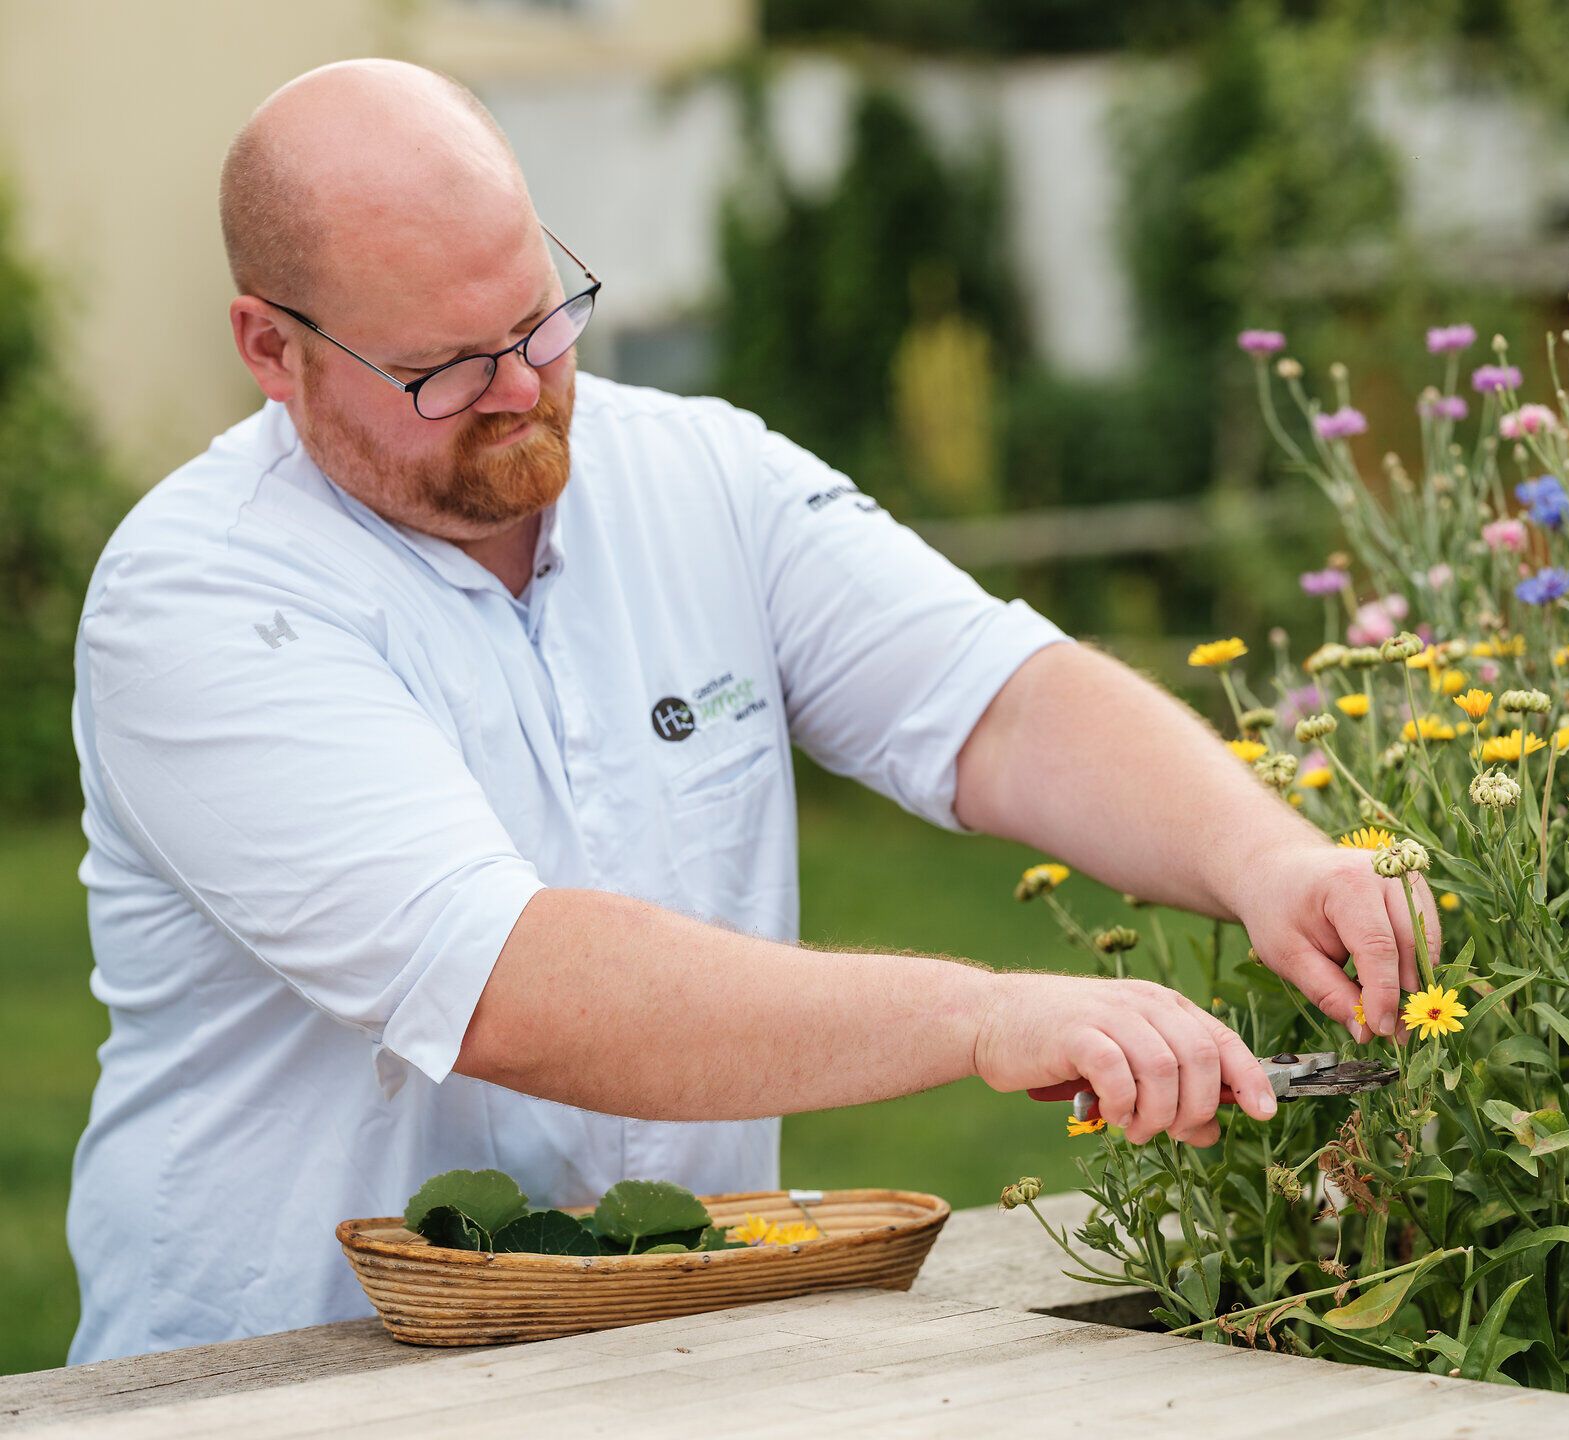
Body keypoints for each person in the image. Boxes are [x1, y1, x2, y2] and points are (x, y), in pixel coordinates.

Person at [65, 59, 1437, 1364]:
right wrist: (984, 1018)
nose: (522, 391)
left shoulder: (699, 475)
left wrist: (1267, 860)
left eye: (541, 321)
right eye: (444, 369)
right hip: (285, 1383)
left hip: (682, 1353)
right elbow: (508, 984)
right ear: (270, 346)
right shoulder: (200, 602)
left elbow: (1000, 703)